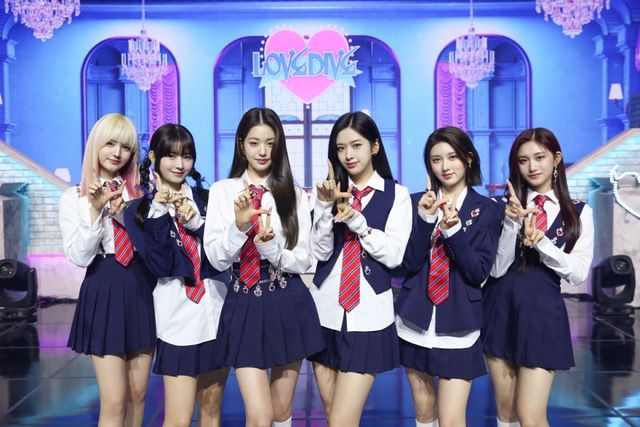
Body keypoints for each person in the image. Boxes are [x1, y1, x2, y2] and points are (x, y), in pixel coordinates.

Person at [203, 107, 324, 427]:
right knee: (259, 416)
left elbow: (303, 259)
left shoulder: (292, 193)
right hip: (243, 302)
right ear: (241, 145)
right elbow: (215, 259)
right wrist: (239, 227)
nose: (262, 151)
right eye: (254, 143)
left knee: (281, 412)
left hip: (288, 300)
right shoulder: (222, 191)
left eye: (270, 143)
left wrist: (271, 249)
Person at [483, 127, 594, 427]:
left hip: (542, 315)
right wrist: (511, 225)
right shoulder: (502, 207)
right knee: (507, 413)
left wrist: (543, 244)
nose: (532, 167)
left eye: (539, 157)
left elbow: (577, 273)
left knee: (531, 415)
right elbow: (495, 269)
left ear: (556, 159)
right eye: (523, 160)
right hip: (500, 310)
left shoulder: (579, 213)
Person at [308, 111, 411, 427]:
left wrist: (356, 220)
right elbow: (320, 252)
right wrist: (324, 207)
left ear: (374, 147)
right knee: (333, 415)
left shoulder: (397, 195)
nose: (348, 155)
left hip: (369, 317)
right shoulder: (328, 192)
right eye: (341, 148)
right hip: (325, 313)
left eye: (356, 145)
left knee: (342, 419)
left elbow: (394, 256)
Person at [395, 126, 502, 427]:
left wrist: (453, 231)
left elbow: (477, 272)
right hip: (415, 320)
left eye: (452, 157)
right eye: (436, 159)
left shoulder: (487, 209)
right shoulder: (416, 203)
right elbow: (408, 264)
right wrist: (426, 219)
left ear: (468, 158)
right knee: (424, 414)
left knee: (452, 419)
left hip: (459, 324)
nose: (445, 166)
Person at [125, 124, 229, 427]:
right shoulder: (139, 211)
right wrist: (159, 211)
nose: (180, 164)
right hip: (177, 320)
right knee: (178, 418)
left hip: (216, 312)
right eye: (171, 156)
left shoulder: (209, 200)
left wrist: (198, 223)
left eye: (186, 156)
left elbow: (224, 253)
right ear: (154, 158)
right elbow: (159, 265)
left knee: (212, 410)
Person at [59, 113, 155, 426]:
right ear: (96, 145)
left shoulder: (143, 195)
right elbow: (80, 256)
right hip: (104, 284)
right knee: (114, 401)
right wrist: (96, 210)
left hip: (141, 286)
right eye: (110, 144)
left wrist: (125, 216)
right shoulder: (74, 197)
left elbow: (154, 250)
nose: (117, 153)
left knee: (138, 395)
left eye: (125, 147)